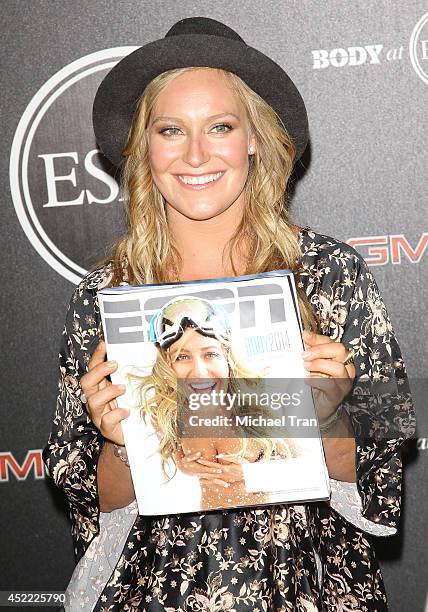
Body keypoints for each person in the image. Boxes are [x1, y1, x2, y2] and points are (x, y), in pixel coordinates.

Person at [43, 17, 414, 611]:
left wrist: (328, 412)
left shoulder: (328, 274)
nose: (195, 154)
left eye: (220, 126)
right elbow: (97, 510)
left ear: (254, 139)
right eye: (170, 130)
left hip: (304, 588)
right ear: (143, 148)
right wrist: (119, 440)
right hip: (157, 593)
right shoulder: (104, 295)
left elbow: (374, 482)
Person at [138, 295, 298, 510]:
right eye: (182, 357)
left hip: (266, 525)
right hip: (210, 531)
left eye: (210, 354)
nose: (199, 372)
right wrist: (185, 466)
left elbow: (303, 470)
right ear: (167, 365)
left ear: (228, 357)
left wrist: (245, 474)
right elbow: (180, 458)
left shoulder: (257, 406)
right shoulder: (167, 414)